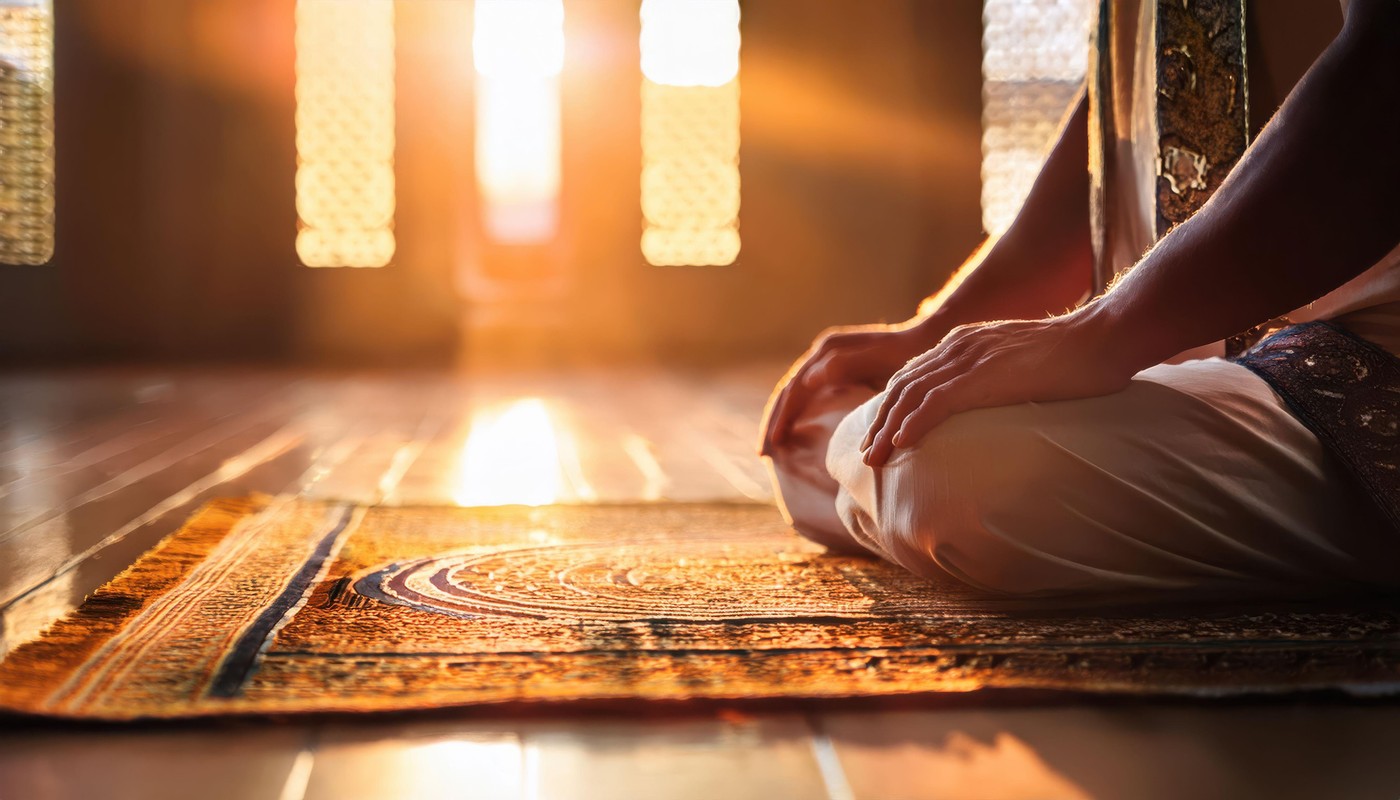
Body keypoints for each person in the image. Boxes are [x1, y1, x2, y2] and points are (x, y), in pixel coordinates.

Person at [760, 0, 1400, 601]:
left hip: (1361, 361)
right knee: (819, 433)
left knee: (944, 472)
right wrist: (936, 334)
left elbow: (1382, 85)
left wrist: (1105, 331)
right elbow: (1122, 104)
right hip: (1210, 363)